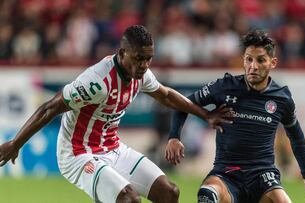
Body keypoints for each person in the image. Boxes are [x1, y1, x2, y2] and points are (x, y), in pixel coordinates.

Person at [0, 25, 232, 203]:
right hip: (78, 154)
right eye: (139, 58)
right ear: (122, 53)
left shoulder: (141, 74)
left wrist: (206, 115)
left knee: (169, 192)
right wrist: (16, 143)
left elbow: (167, 95)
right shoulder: (97, 81)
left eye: (148, 58)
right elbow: (50, 107)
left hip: (113, 148)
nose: (144, 64)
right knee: (128, 199)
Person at [165, 29, 305, 203]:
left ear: (272, 62)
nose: (253, 66)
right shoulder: (224, 86)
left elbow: (296, 136)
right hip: (226, 173)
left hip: (263, 175)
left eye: (260, 60)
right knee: (207, 195)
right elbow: (182, 104)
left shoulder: (282, 98)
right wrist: (174, 137)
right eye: (249, 59)